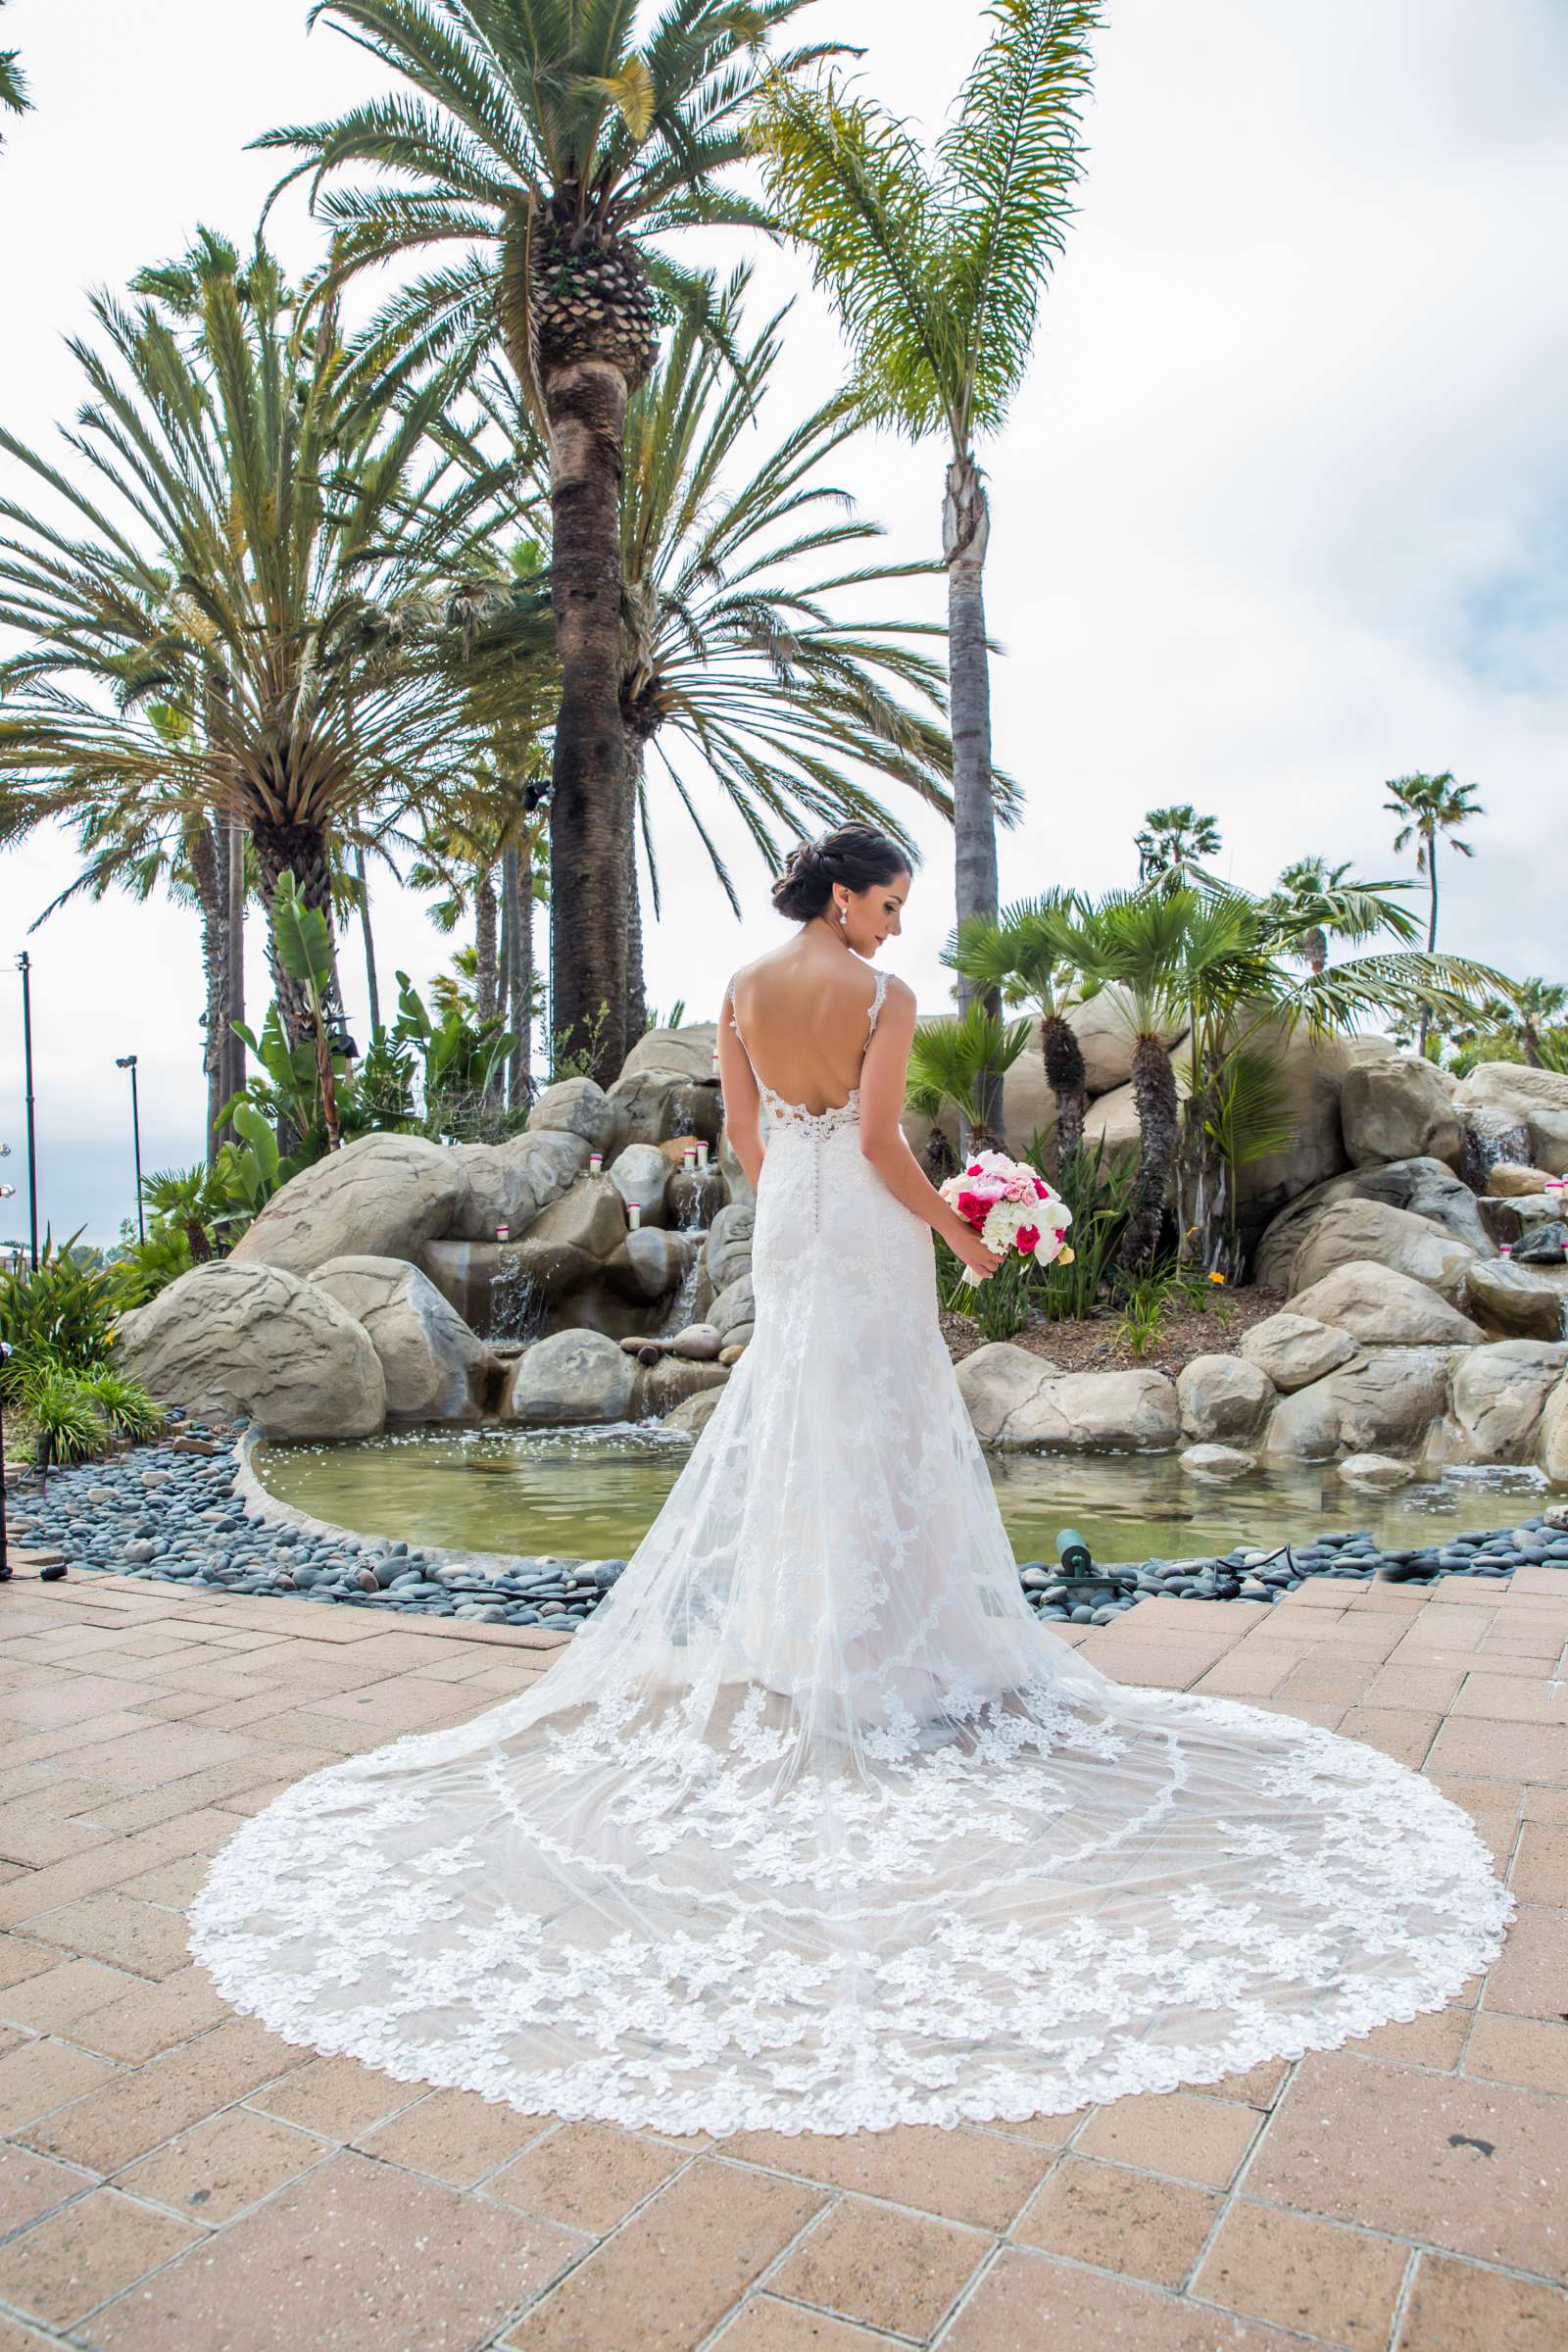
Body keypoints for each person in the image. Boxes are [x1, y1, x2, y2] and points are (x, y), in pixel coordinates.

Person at [189, 822, 1512, 2138]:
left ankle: (805, 1633)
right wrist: (967, 1239)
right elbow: (886, 1146)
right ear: (841, 896)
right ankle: (891, 1644)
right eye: (887, 901)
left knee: (804, 1413)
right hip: (871, 1220)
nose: (895, 924)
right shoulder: (879, 998)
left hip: (792, 1226)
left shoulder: (742, 994)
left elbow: (761, 1144)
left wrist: (801, 1211)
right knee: (885, 1419)